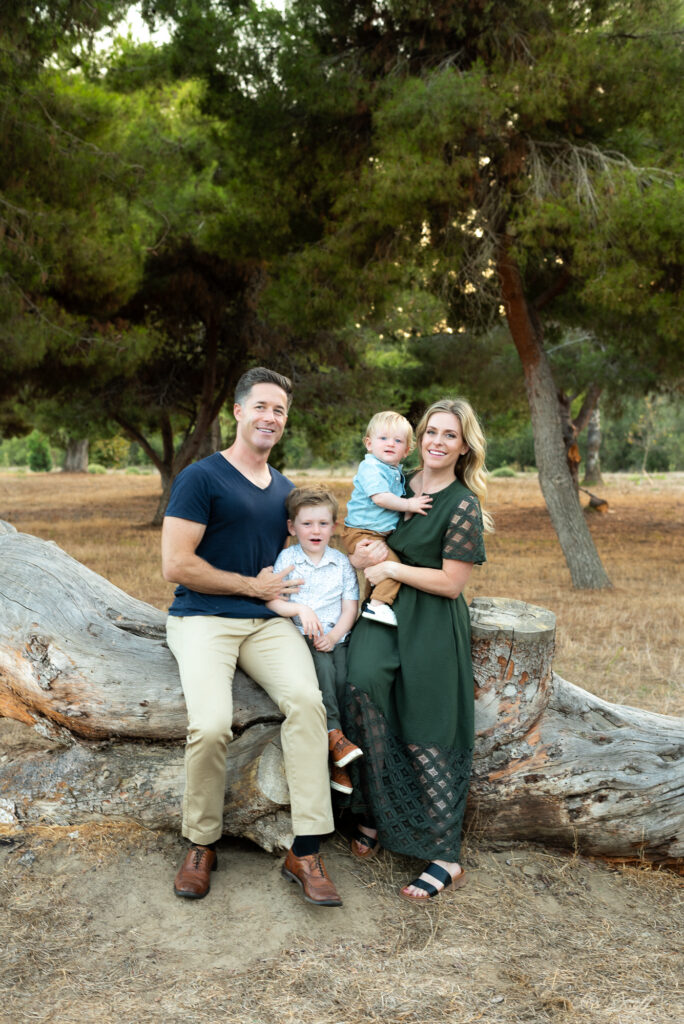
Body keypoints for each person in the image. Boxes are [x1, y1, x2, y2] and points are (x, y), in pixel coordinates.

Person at [161, 367, 342, 907]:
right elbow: (175, 564)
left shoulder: (286, 491)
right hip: (202, 619)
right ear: (237, 412)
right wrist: (247, 585)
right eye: (261, 406)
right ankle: (201, 843)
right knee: (212, 724)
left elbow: (306, 553)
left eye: (280, 410)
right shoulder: (201, 478)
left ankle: (304, 848)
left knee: (308, 705)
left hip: (266, 622)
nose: (270, 417)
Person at [343, 398, 493, 902]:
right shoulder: (393, 483)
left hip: (430, 619)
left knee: (428, 722)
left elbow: (452, 583)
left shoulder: (463, 504)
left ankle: (445, 857)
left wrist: (391, 569)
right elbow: (365, 536)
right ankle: (376, 814)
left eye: (449, 435)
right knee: (360, 684)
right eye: (431, 431)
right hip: (383, 615)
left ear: (464, 446)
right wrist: (364, 555)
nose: (436, 441)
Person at [266, 486, 362, 795]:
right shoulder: (286, 560)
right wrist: (298, 608)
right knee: (323, 671)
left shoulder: (342, 563)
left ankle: (340, 759)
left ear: (334, 527)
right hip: (304, 639)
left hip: (338, 637)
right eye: (307, 524)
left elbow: (351, 607)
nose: (315, 530)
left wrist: (334, 636)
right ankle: (334, 736)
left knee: (347, 679)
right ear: (292, 528)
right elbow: (273, 601)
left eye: (323, 523)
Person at [342, 411, 432, 627]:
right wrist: (409, 505)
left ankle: (369, 605)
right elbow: (381, 498)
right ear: (369, 443)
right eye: (383, 438)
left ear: (406, 450)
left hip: (375, 532)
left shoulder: (393, 471)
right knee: (393, 568)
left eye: (398, 440)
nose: (390, 444)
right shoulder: (371, 467)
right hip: (363, 532)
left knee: (377, 572)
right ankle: (378, 606)